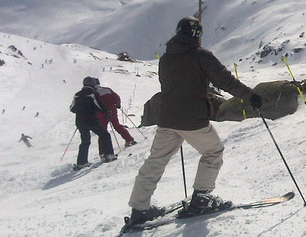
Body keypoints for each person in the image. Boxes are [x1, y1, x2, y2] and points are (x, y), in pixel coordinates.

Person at [126, 16, 262, 225]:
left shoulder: (166, 57)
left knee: (155, 161)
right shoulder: (202, 56)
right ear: (196, 34)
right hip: (192, 120)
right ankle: (201, 199)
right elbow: (225, 80)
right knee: (213, 152)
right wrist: (250, 95)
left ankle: (139, 209)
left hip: (167, 118)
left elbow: (168, 85)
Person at [70, 81, 117, 169]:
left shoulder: (77, 95)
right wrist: (106, 111)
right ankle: (108, 155)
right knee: (105, 135)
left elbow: (72, 108)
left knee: (85, 141)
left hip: (80, 121)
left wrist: (81, 110)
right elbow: (99, 107)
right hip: (91, 120)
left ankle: (81, 162)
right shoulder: (93, 94)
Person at [83, 77, 137, 149]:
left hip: (101, 113)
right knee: (117, 125)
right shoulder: (107, 89)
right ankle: (129, 139)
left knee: (103, 131)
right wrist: (117, 104)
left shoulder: (93, 93)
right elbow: (116, 97)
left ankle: (103, 151)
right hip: (112, 110)